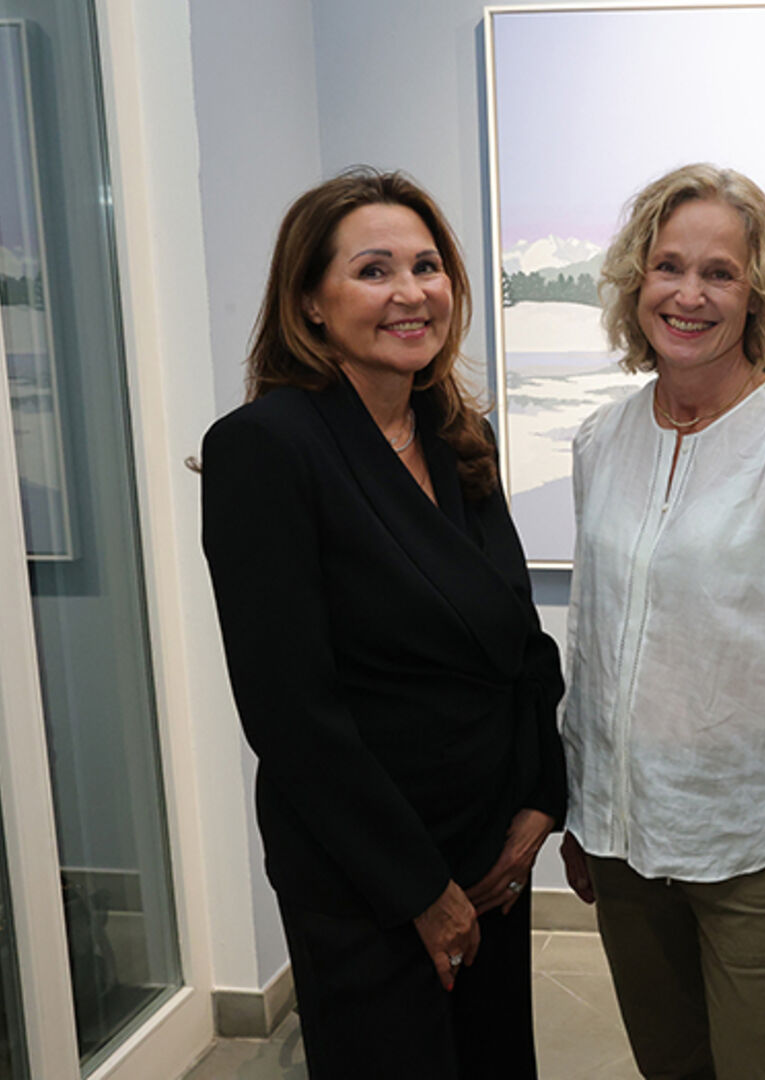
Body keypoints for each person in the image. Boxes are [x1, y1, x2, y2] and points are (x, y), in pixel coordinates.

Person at [200, 168, 565, 1078]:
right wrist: (421, 893)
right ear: (310, 303)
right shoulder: (266, 447)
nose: (410, 292)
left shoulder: (457, 433)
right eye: (373, 270)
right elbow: (291, 712)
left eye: (426, 266)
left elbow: (519, 642)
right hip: (367, 871)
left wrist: (538, 803)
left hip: (488, 852)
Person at [557, 163, 765, 1080]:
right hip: (622, 843)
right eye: (667, 267)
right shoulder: (601, 442)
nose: (688, 295)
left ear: (756, 295)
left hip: (753, 851)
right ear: (635, 283)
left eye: (719, 273)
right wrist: (582, 810)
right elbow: (591, 643)